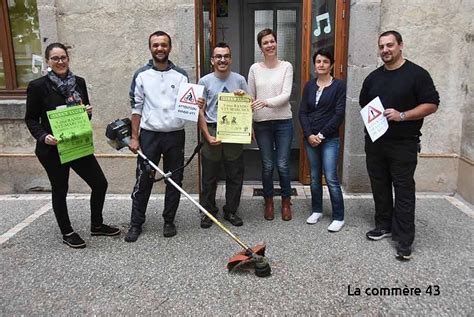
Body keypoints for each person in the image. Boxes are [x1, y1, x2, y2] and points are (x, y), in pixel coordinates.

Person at [25, 43, 120, 249]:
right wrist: (43, 136)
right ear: (48, 61)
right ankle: (67, 231)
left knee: (100, 183)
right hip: (52, 148)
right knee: (60, 189)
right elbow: (31, 119)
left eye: (63, 58)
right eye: (55, 58)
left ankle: (97, 224)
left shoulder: (79, 82)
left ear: (68, 59)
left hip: (77, 145)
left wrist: (87, 112)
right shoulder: (38, 86)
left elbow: (83, 115)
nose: (60, 62)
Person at [359, 30, 439, 261]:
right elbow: (365, 105)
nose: (385, 50)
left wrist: (402, 115)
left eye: (390, 45)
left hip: (404, 144)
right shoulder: (373, 78)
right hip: (375, 143)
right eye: (382, 46)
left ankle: (404, 240)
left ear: (400, 45)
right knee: (379, 185)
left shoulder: (417, 74)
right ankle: (383, 225)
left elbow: (432, 104)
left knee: (403, 190)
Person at [125, 31, 188, 242]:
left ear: (170, 48)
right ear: (150, 47)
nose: (159, 48)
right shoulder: (141, 75)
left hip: (175, 135)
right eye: (155, 45)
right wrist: (134, 138)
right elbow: (136, 108)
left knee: (174, 180)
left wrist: (196, 105)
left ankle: (169, 220)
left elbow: (187, 105)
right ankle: (136, 223)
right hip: (150, 136)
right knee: (144, 180)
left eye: (163, 45)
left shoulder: (181, 75)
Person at [196, 42, 248, 229]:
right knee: (209, 176)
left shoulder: (240, 80)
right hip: (212, 130)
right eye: (218, 56)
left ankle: (231, 211)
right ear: (212, 60)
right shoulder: (204, 81)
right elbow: (199, 111)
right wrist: (206, 135)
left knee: (235, 174)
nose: (222, 59)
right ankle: (208, 212)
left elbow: (248, 108)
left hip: (233, 132)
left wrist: (243, 98)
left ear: (231, 59)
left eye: (226, 56)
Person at [248, 28, 294, 221]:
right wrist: (248, 123)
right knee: (267, 165)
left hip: (283, 122)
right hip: (262, 123)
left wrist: (266, 102)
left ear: (276, 43)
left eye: (272, 41)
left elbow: (286, 95)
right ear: (261, 47)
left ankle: (285, 200)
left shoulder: (286, 67)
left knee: (282, 164)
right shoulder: (254, 69)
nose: (270, 45)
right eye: (265, 43)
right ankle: (268, 200)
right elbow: (251, 98)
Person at [299, 49, 346, 232]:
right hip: (310, 138)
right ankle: (317, 210)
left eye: (325, 61)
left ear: (331, 65)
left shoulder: (339, 86)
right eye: (318, 61)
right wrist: (309, 134)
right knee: (314, 177)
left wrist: (321, 135)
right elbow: (303, 112)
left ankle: (338, 216)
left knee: (332, 178)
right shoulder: (309, 86)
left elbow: (338, 114)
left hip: (329, 139)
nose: (321, 64)